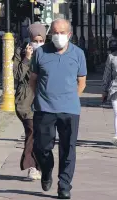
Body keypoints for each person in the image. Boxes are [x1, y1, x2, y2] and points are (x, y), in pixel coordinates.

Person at [29, 19, 87, 199]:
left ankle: (64, 185)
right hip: (44, 108)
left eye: (62, 32)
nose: (58, 36)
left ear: (69, 34)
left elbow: (82, 82)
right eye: (54, 32)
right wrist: (42, 97)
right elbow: (32, 80)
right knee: (41, 148)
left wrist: (69, 98)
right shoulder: (40, 53)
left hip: (69, 109)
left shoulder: (78, 54)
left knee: (68, 149)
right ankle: (46, 171)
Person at [13, 23, 46, 180]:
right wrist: (27, 58)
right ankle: (32, 166)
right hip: (26, 100)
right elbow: (17, 75)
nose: (38, 43)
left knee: (43, 135)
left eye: (41, 40)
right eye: (35, 39)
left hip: (45, 100)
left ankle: (40, 166)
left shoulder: (49, 53)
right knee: (32, 131)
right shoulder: (21, 53)